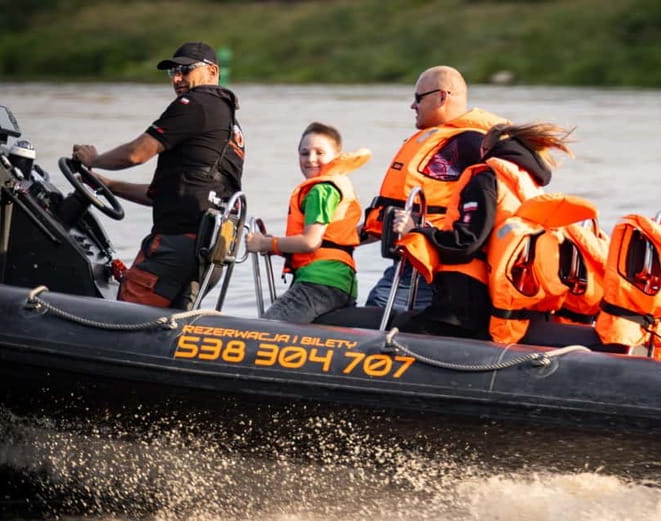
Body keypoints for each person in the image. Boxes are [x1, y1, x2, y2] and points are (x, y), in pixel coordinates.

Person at [71, 42, 246, 309]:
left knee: (124, 316)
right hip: (209, 250)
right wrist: (108, 185)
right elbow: (167, 194)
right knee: (167, 328)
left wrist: (94, 160)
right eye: (173, 72)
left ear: (212, 71)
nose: (177, 79)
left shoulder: (195, 103)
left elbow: (137, 153)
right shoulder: (227, 121)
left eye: (185, 70)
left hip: (176, 246)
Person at [391, 122, 574, 340]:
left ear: (489, 148)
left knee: (406, 337)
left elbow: (466, 242)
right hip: (499, 294)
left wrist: (418, 231)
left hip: (464, 299)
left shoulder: (486, 179)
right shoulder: (527, 184)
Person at [361, 65, 508, 311]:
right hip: (410, 260)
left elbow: (486, 214)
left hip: (431, 267)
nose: (412, 106)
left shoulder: (468, 144)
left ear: (441, 97)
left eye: (418, 98)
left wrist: (421, 230)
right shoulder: (442, 142)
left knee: (373, 316)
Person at [245, 122, 368, 323]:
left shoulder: (320, 190)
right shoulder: (334, 185)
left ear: (336, 156)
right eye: (304, 153)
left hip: (318, 283)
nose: (311, 159)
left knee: (265, 329)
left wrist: (265, 243)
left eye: (319, 152)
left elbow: (311, 242)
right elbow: (326, 242)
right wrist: (277, 247)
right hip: (342, 284)